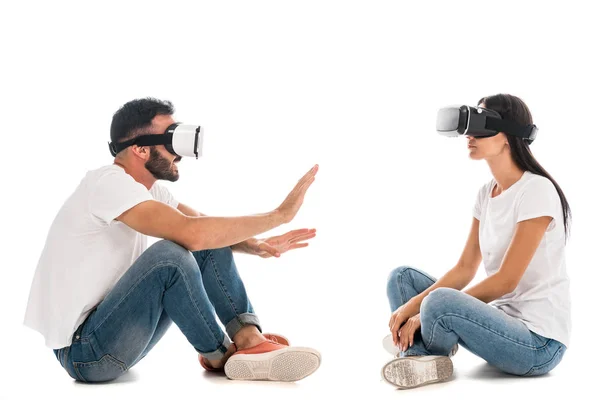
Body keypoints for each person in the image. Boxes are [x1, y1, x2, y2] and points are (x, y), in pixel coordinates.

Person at [24, 98, 322, 383]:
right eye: (171, 141)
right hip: (84, 353)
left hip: (112, 337)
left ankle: (249, 340)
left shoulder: (151, 192)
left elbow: (204, 229)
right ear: (140, 149)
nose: (178, 154)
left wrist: (255, 245)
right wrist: (280, 215)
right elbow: (191, 233)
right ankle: (224, 356)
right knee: (171, 256)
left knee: (205, 237)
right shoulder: (107, 183)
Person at [382, 94, 571, 389]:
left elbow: (506, 280)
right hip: (500, 322)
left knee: (438, 301)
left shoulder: (537, 190)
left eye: (482, 125)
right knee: (401, 279)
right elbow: (464, 268)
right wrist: (412, 307)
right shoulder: (487, 193)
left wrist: (423, 311)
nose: (470, 134)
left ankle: (423, 347)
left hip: (538, 344)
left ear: (508, 136)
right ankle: (422, 355)